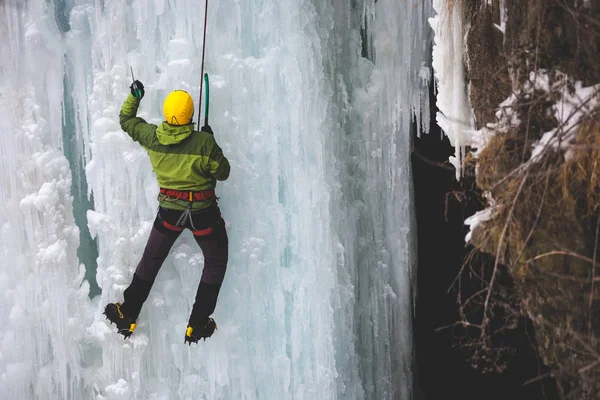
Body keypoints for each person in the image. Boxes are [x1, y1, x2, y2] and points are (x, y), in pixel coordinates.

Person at [104, 80, 230, 344]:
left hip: (170, 213)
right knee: (215, 261)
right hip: (203, 214)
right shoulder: (203, 143)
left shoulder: (152, 137)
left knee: (151, 260)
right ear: (190, 116)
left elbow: (126, 120)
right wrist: (211, 140)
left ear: (166, 114)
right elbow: (223, 172)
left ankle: (127, 315)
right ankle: (196, 324)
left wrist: (135, 97)